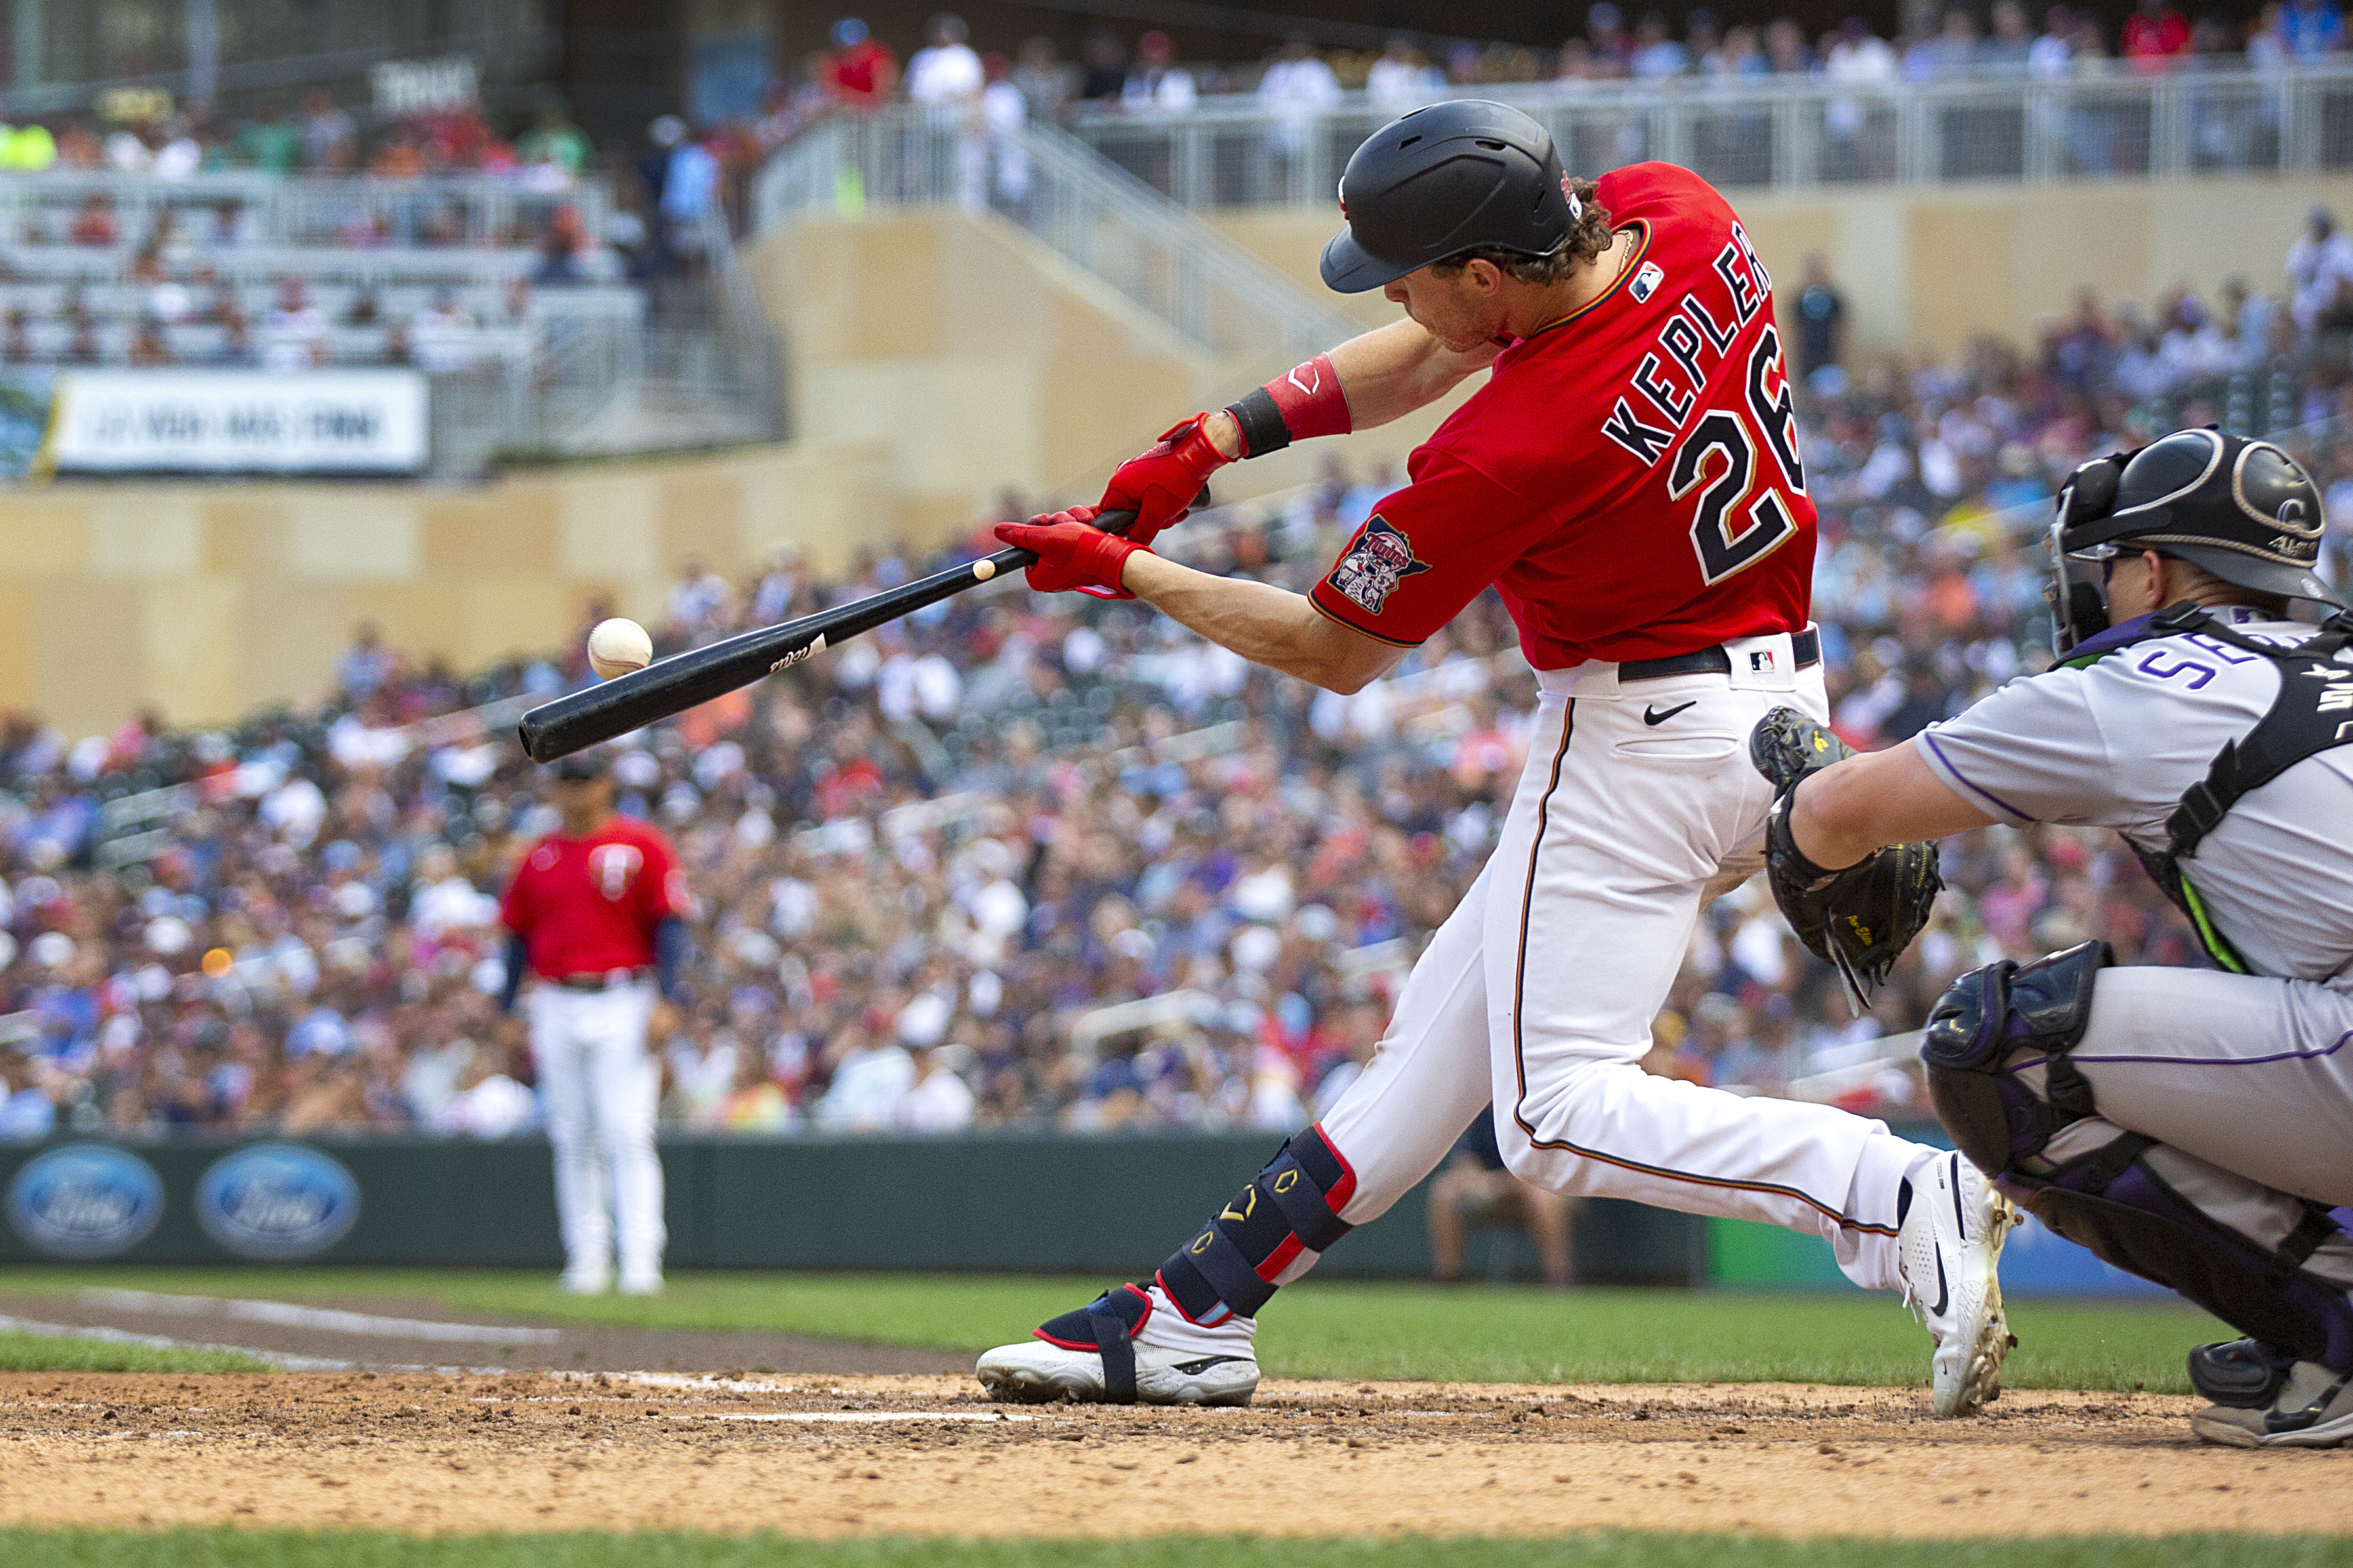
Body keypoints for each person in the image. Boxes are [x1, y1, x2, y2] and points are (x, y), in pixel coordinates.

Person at [973, 100, 2015, 1417]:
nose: (1400, 304)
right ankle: (1194, 1309)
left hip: (1630, 741)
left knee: (1552, 1114)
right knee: (1442, 1037)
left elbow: (1331, 649)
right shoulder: (1678, 216)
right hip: (1768, 700)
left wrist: (1125, 571)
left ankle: (1895, 1194)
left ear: (1482, 272)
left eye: (1414, 277)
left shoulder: (1507, 445)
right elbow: (1430, 351)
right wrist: (1217, 438)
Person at [1760, 429, 2353, 1449]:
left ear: (2155, 569)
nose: (2098, 584)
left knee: (1999, 1045)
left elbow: (1841, 817)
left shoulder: (2146, 677)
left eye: (2112, 561)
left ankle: (2334, 1331)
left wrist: (1799, 786)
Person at [498, 750, 693, 1295]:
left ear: (606, 783)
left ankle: (639, 1259)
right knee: (573, 1135)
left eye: (585, 780)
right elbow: (516, 939)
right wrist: (506, 1008)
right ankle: (586, 1257)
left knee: (628, 1131)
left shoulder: (641, 843)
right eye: (567, 781)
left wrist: (667, 998)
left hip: (625, 994)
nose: (576, 791)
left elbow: (669, 926)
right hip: (555, 999)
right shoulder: (538, 855)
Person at [1427, 1112, 1577, 1285]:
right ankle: (1447, 1279)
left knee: (1541, 1197)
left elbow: (1544, 1172)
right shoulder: (1481, 1115)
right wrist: (1488, 1183)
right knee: (1444, 1189)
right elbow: (1465, 1165)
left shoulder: (1539, 1109)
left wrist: (1499, 1183)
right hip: (1493, 1193)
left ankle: (1559, 1281)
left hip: (1546, 1191)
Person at [1793, 254, 1846, 383]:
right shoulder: (1800, 299)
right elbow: (1794, 326)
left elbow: (1840, 325)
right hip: (1806, 354)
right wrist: (1796, 351)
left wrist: (1839, 350)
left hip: (1828, 353)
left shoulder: (1833, 299)